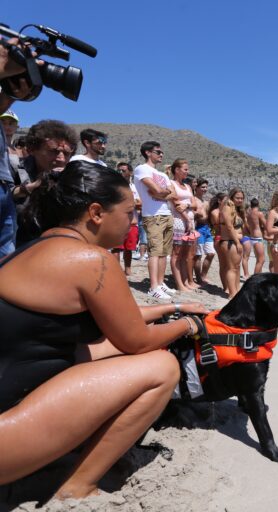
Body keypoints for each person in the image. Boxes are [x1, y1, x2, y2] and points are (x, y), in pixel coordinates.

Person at [0, 160, 208, 498]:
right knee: (161, 366)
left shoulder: (34, 249)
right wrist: (188, 325)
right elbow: (137, 341)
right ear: (96, 213)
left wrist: (174, 307)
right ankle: (79, 485)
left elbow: (120, 316)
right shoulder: (92, 260)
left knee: (102, 349)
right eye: (129, 214)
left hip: (12, 391)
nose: (133, 223)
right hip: (6, 440)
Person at [14, 120, 79, 246]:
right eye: (54, 151)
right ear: (32, 149)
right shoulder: (14, 171)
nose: (61, 158)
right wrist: (34, 186)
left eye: (66, 153)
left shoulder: (73, 177)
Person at [133, 141, 177, 299]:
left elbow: (172, 194)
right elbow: (156, 190)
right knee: (155, 252)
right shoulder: (142, 169)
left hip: (166, 214)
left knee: (164, 252)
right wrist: (160, 192)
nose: (161, 155)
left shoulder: (164, 174)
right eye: (158, 152)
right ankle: (153, 287)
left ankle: (160, 283)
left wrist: (159, 193)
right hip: (153, 215)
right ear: (147, 153)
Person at [0, 44, 29, 257]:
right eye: (5, 122)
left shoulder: (13, 148)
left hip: (7, 190)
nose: (8, 126)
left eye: (12, 123)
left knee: (7, 246)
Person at [169, 159, 198, 291]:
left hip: (190, 222)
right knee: (177, 253)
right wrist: (187, 219)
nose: (187, 172)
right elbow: (176, 206)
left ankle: (186, 282)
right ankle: (179, 284)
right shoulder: (171, 184)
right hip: (179, 222)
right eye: (185, 169)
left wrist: (186, 204)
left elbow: (194, 204)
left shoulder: (188, 187)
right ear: (177, 170)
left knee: (186, 254)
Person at [111, 163, 141, 275]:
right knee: (116, 247)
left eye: (123, 170)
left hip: (132, 222)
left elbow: (140, 204)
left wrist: (128, 204)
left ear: (130, 172)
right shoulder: (115, 187)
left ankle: (128, 269)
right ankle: (116, 270)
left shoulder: (134, 187)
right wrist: (133, 204)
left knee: (129, 248)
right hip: (118, 222)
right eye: (118, 170)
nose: (120, 173)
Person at [217, 191, 243, 298]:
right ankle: (232, 293)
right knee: (232, 268)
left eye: (242, 198)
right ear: (232, 197)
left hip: (233, 241)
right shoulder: (227, 206)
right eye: (237, 198)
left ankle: (236, 292)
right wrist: (237, 241)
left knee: (236, 268)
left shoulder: (235, 208)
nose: (240, 200)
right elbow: (229, 226)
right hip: (230, 242)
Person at [192, 179, 216, 284]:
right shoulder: (193, 200)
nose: (205, 189)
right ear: (196, 187)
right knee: (198, 255)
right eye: (202, 187)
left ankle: (203, 275)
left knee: (211, 253)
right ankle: (198, 278)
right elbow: (192, 215)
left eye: (206, 187)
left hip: (207, 229)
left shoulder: (206, 202)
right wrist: (198, 215)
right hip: (198, 229)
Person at [246, 198, 267, 274]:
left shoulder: (248, 214)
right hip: (258, 237)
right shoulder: (259, 213)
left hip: (252, 236)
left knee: (258, 259)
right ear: (258, 204)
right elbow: (266, 225)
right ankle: (255, 278)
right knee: (261, 260)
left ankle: (259, 276)